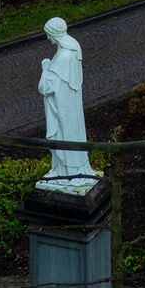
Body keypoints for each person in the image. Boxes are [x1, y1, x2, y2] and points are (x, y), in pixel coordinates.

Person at [37, 16, 97, 194]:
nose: (48, 38)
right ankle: (64, 170)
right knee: (71, 135)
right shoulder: (72, 47)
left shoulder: (63, 56)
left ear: (55, 33)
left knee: (64, 135)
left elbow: (46, 87)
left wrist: (45, 68)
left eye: (49, 34)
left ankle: (68, 172)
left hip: (63, 109)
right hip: (70, 106)